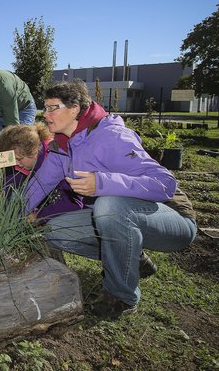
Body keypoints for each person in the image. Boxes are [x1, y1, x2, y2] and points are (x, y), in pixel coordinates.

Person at [23, 79, 197, 318]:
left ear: (74, 110)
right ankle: (133, 258)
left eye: (53, 107)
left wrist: (102, 182)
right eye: (45, 107)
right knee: (55, 230)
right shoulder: (63, 146)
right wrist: (11, 215)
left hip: (172, 217)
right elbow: (39, 185)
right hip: (125, 215)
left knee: (107, 205)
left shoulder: (111, 137)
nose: (46, 113)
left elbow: (165, 184)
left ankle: (121, 297)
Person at [0, 123, 83, 221]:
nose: (16, 163)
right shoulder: (23, 161)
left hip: (71, 212)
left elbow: (71, 202)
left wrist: (40, 216)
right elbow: (10, 184)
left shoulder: (55, 160)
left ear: (34, 152)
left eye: (19, 159)